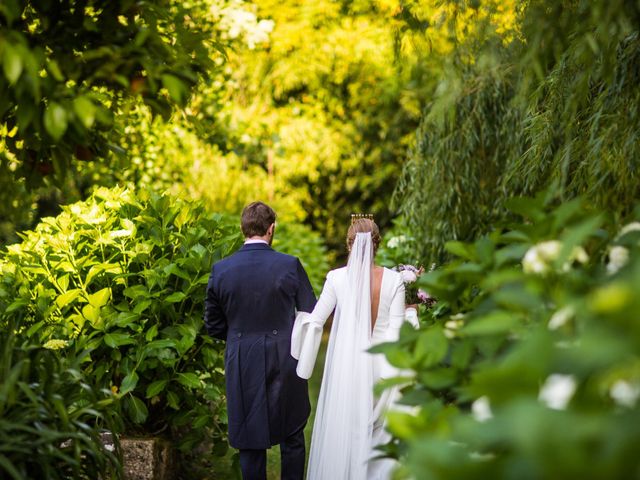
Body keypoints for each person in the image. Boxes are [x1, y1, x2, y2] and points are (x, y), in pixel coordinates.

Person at [291, 216, 418, 480]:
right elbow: (397, 331)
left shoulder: (336, 278)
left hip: (347, 367)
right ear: (377, 245)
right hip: (382, 366)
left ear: (350, 245)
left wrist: (299, 349)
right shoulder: (395, 280)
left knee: (346, 432)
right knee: (378, 434)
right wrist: (412, 315)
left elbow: (315, 321)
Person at [204, 201, 317, 480]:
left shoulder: (221, 270)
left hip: (242, 357)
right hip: (286, 355)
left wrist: (238, 337)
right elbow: (309, 313)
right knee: (292, 433)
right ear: (271, 229)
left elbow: (213, 324)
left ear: (243, 229)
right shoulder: (289, 265)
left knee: (249, 438)